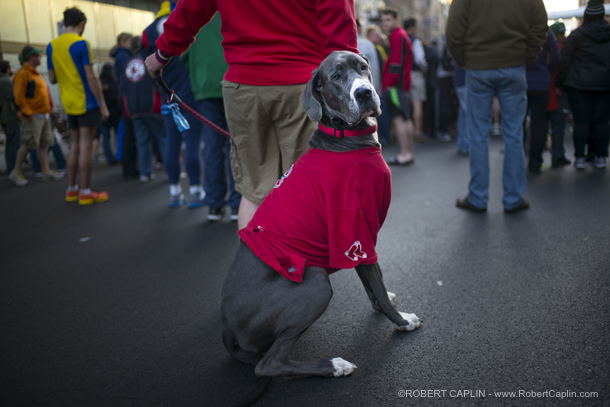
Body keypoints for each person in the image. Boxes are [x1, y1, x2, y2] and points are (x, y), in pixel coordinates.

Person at [144, 0, 358, 228]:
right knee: (306, 187)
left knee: (255, 190)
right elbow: (339, 22)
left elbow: (191, 9)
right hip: (302, 84)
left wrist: (162, 54)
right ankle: (301, 262)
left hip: (244, 85)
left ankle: (252, 263)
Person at [446, 0, 548, 213]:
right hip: (514, 66)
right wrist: (523, 57)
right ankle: (513, 198)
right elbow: (539, 26)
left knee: (478, 135)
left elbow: (454, 31)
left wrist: (467, 61)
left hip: (478, 66)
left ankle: (478, 197)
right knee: (514, 134)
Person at [142, 0, 206, 208]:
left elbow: (148, 65)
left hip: (166, 93)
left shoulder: (148, 31)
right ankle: (196, 190)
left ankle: (174, 192)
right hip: (189, 93)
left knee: (172, 142)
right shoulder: (186, 21)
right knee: (193, 143)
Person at [180, 14, 241, 220]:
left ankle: (215, 205)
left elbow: (184, 56)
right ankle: (237, 203)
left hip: (205, 87)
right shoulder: (231, 8)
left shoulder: (196, 11)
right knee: (237, 146)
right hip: (234, 82)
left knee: (213, 146)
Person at [47, 7, 110, 205]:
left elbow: (52, 78)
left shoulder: (51, 46)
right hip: (86, 101)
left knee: (74, 145)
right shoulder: (82, 43)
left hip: (68, 102)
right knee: (85, 145)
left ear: (65, 22)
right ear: (82, 24)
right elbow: (92, 77)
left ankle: (72, 189)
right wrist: (102, 104)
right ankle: (86, 191)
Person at [556, 0, 610, 170]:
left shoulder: (577, 36)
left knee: (581, 122)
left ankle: (579, 157)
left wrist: (560, 83)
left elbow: (565, 61)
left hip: (579, 85)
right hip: (605, 84)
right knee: (602, 122)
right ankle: (601, 156)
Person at [9, 46, 64, 186]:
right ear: (31, 57)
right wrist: (28, 113)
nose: (40, 58)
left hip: (42, 115)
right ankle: (16, 172)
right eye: (38, 56)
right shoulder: (23, 73)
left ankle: (45, 171)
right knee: (28, 144)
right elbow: (18, 97)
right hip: (33, 115)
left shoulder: (35, 73)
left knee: (43, 144)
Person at [118, 36, 167, 183]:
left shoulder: (128, 63)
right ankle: (171, 171)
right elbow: (158, 82)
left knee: (142, 141)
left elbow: (122, 88)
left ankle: (145, 173)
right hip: (153, 106)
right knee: (163, 139)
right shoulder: (149, 60)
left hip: (134, 109)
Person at [380, 8, 415, 165]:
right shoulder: (399, 35)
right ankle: (408, 152)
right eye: (383, 20)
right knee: (405, 118)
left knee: (399, 119)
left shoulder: (397, 36)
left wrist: (389, 83)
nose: (384, 23)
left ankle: (404, 153)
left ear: (396, 20)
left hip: (396, 86)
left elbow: (396, 63)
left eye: (388, 20)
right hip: (401, 84)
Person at [525, 28, 560, 173]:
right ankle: (535, 162)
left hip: (521, 80)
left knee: (516, 123)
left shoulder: (519, 28)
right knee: (540, 123)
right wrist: (546, 70)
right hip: (542, 82)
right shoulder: (546, 32)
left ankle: (516, 161)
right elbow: (556, 57)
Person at [111, 33, 139, 180]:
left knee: (128, 133)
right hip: (126, 97)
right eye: (128, 41)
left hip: (122, 97)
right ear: (122, 41)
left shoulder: (120, 56)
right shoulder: (124, 57)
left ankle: (130, 168)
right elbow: (128, 77)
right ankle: (130, 169)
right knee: (130, 134)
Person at [547, 21, 571, 168]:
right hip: (558, 93)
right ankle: (557, 155)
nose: (562, 37)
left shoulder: (542, 49)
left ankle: (536, 158)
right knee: (558, 126)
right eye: (561, 34)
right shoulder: (562, 50)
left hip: (543, 92)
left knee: (540, 126)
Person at [403, 18, 428, 143]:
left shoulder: (401, 38)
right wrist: (424, 69)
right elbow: (420, 59)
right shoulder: (415, 41)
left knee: (405, 104)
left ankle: (406, 130)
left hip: (403, 75)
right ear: (412, 27)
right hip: (415, 74)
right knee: (417, 103)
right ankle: (417, 130)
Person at [0, 61, 21, 176]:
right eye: (11, 67)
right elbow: (16, 98)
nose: (13, 69)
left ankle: (12, 169)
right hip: (10, 117)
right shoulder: (5, 82)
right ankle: (13, 170)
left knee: (11, 143)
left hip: (6, 117)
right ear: (7, 69)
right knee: (13, 144)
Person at [99, 63, 120, 165]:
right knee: (118, 136)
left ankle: (109, 158)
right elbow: (116, 99)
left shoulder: (99, 84)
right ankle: (119, 155)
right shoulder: (113, 84)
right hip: (115, 115)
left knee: (106, 138)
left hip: (102, 115)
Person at [453, 64, 469, 156]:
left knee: (463, 112)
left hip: (460, 81)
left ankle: (463, 143)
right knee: (467, 113)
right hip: (464, 81)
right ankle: (466, 144)